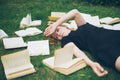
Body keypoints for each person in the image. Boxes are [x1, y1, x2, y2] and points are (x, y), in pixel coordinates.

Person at [44, 9, 120, 77]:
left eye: (57, 30)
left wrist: (55, 24)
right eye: (56, 37)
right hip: (105, 48)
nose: (58, 34)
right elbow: (76, 51)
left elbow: (75, 12)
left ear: (64, 26)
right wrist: (91, 63)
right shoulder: (66, 40)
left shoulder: (82, 25)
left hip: (114, 35)